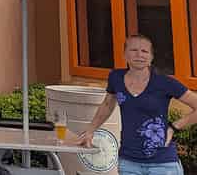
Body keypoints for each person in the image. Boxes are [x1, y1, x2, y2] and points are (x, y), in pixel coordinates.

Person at [76, 34, 197, 175]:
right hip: (129, 162)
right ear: (125, 55)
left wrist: (174, 127)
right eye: (133, 50)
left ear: (151, 57)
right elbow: (108, 104)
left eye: (144, 51)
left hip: (163, 164)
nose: (139, 55)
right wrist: (90, 130)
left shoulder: (165, 83)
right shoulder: (116, 77)